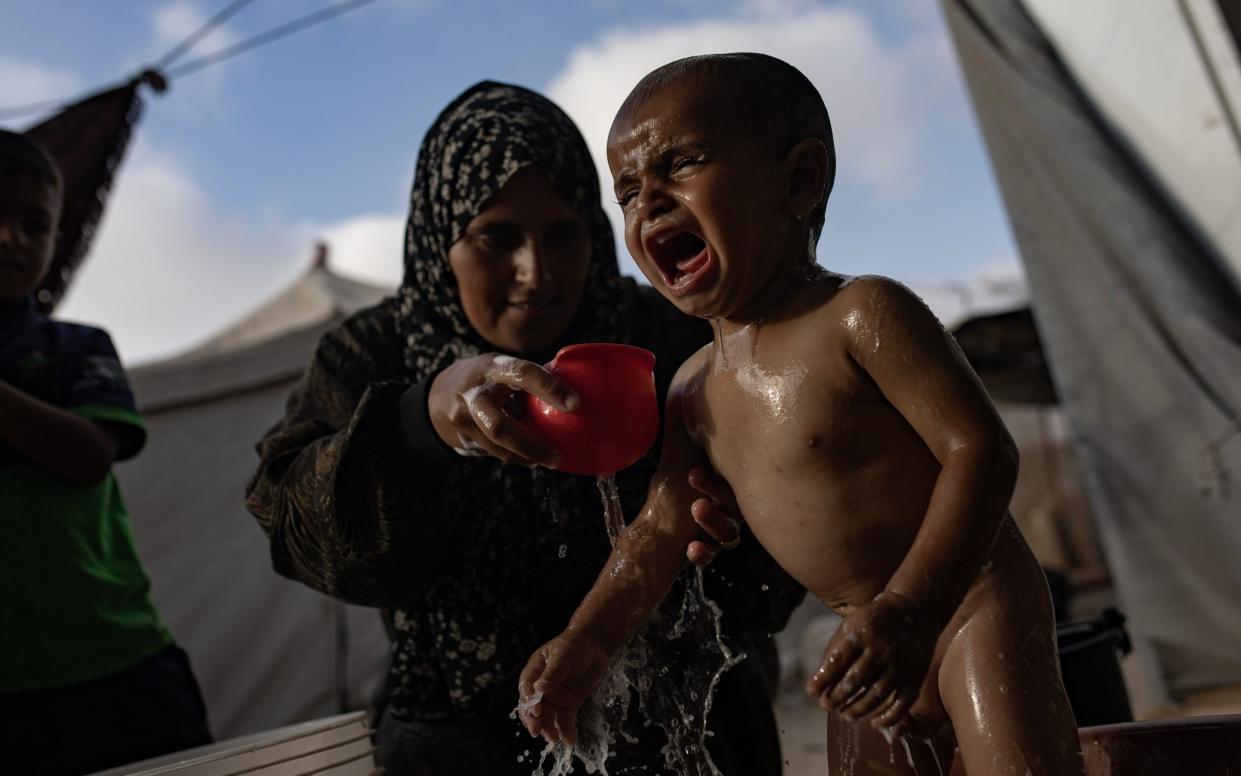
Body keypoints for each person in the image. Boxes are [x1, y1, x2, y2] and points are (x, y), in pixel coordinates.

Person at [518, 54, 1084, 776]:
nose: (649, 202)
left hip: (970, 602)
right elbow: (657, 533)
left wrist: (913, 608)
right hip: (860, 636)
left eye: (682, 163)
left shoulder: (860, 316)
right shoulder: (693, 390)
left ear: (798, 181)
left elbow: (980, 450)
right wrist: (586, 642)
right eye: (627, 192)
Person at [244, 81, 803, 775]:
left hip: (687, 728)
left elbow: (795, 516)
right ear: (438, 238)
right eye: (496, 237)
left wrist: (740, 520)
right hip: (461, 743)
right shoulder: (373, 355)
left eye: (563, 235)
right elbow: (297, 531)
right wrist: (421, 422)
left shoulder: (670, 331)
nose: (536, 273)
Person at [0, 130, 212, 774]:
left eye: (34, 223)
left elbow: (90, 455)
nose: (12, 239)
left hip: (114, 659)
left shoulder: (78, 347)